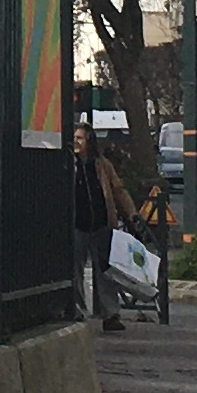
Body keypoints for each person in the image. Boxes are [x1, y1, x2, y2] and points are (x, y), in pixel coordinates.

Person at [71, 123, 131, 330]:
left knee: (105, 270)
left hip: (101, 224)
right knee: (75, 269)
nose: (76, 142)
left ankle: (110, 314)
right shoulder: (70, 164)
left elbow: (118, 190)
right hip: (78, 224)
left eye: (80, 138)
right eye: (75, 138)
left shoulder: (102, 165)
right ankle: (76, 310)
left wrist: (131, 214)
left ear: (90, 141)